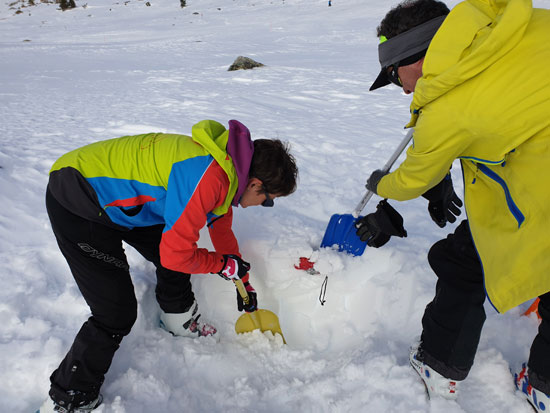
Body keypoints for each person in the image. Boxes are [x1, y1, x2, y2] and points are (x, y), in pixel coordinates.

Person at [356, 0, 550, 409]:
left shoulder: (447, 108)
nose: (404, 90)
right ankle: (546, 388)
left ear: (418, 57)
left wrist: (383, 183)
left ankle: (439, 362)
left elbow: (415, 176)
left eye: (395, 77)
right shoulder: (525, 24)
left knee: (465, 259)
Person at [38, 119, 298, 412]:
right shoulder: (207, 177)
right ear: (255, 184)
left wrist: (239, 274)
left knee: (175, 245)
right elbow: (178, 256)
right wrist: (220, 265)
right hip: (78, 197)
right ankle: (70, 396)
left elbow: (220, 228)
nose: (263, 205)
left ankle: (178, 315)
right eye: (268, 201)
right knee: (115, 313)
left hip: (124, 202)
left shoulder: (226, 169)